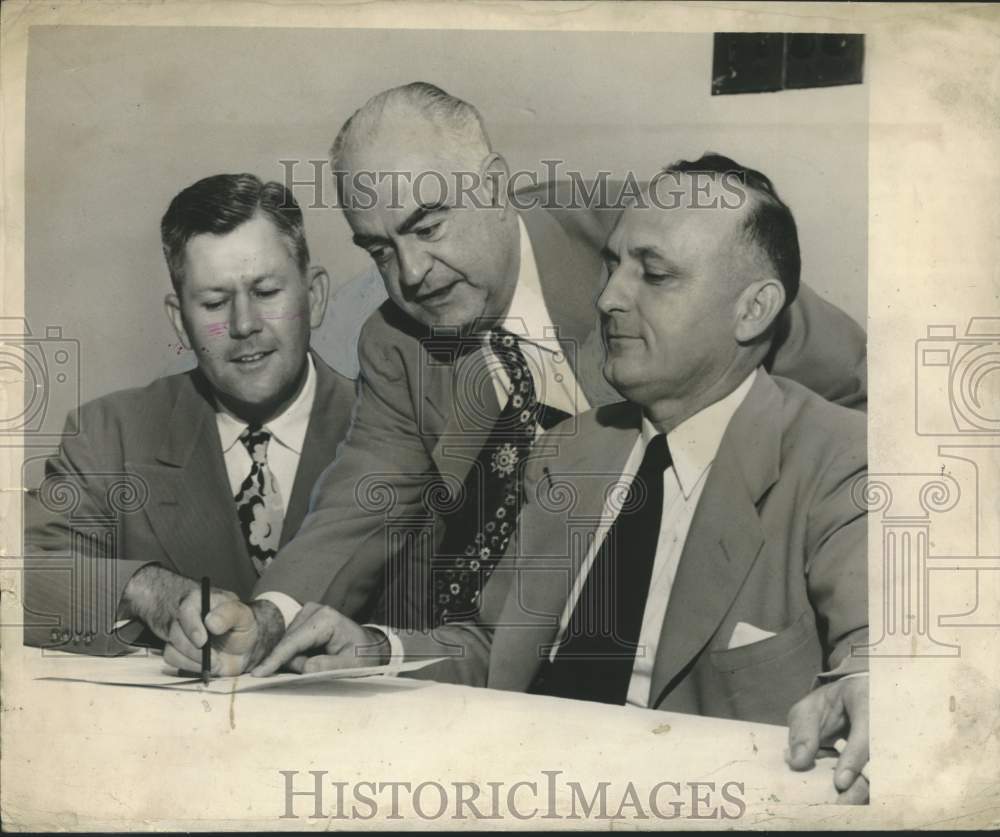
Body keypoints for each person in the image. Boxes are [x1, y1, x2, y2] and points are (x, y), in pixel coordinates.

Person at [164, 83, 867, 674]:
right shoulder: (397, 342)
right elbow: (360, 505)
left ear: (496, 186)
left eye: (429, 227)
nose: (410, 274)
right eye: (380, 249)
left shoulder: (639, 240)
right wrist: (267, 615)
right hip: (519, 641)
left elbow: (848, 382)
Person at [251, 161, 871, 803]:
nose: (607, 299)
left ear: (755, 310)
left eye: (654, 276)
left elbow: (876, 642)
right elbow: (494, 649)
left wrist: (879, 682)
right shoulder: (568, 449)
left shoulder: (838, 459)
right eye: (613, 267)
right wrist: (375, 651)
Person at [23, 173, 357, 655]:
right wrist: (150, 590)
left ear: (316, 297)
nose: (245, 325)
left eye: (266, 293)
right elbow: (23, 575)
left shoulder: (397, 431)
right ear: (180, 321)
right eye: (215, 303)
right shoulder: (109, 435)